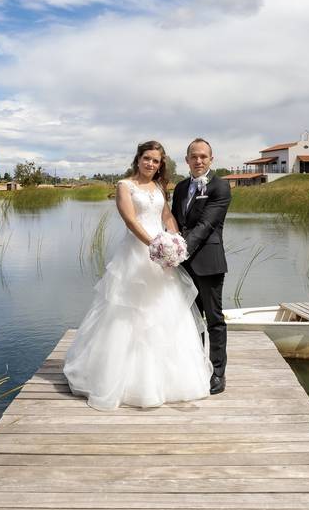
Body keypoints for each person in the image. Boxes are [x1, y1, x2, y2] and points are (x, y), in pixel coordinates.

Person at [63, 140, 213, 411]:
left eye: (156, 161)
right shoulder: (125, 186)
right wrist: (155, 245)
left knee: (164, 313)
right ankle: (121, 380)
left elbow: (167, 217)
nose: (151, 164)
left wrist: (175, 241)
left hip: (161, 258)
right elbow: (131, 221)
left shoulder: (158, 187)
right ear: (138, 159)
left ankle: (168, 381)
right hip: (136, 256)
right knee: (128, 315)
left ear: (160, 165)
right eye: (147, 159)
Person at [172, 138, 232, 394]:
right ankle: (196, 367)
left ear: (211, 159)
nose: (198, 161)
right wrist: (167, 244)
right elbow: (174, 222)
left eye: (203, 157)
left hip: (208, 263)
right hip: (182, 267)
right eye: (194, 156)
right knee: (190, 320)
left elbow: (206, 226)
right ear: (186, 160)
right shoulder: (180, 187)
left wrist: (178, 251)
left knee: (214, 319)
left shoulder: (221, 187)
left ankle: (218, 373)